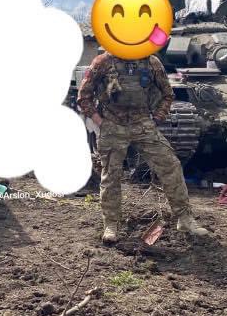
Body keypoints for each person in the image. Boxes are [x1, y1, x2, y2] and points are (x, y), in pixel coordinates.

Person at [76, 52, 210, 244]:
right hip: (113, 124)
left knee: (170, 165)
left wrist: (157, 118)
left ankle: (184, 218)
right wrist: (100, 122)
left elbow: (167, 94)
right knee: (111, 175)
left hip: (143, 124)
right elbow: (84, 96)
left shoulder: (151, 62)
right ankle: (111, 225)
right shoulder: (103, 62)